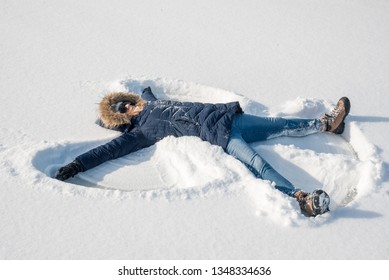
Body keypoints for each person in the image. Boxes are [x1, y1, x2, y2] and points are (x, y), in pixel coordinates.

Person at [55, 87, 350, 217]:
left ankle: (326, 124)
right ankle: (300, 199)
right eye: (122, 110)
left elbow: (146, 91)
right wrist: (77, 165)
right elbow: (108, 150)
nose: (129, 107)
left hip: (230, 118)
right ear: (124, 117)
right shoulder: (140, 132)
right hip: (220, 135)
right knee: (257, 164)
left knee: (280, 124)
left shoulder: (149, 101)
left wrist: (142, 92)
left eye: (125, 102)